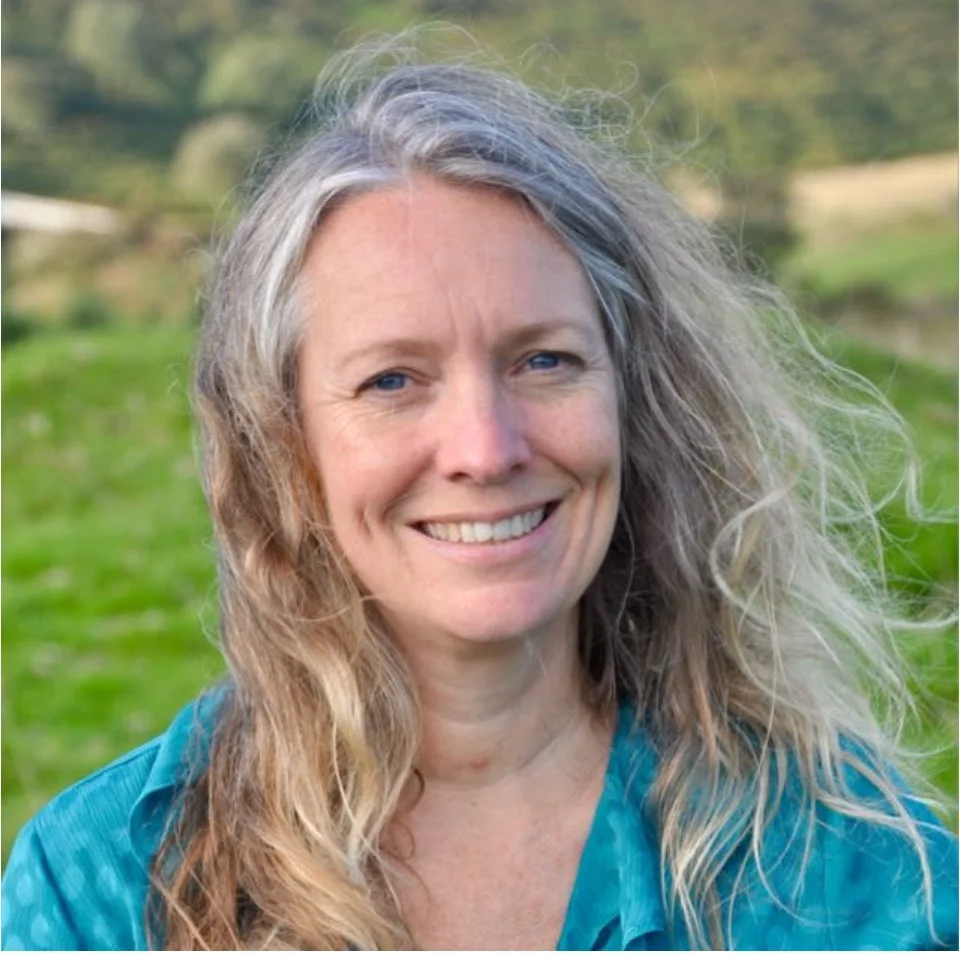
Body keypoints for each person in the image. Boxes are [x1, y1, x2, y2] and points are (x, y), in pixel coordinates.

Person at [2, 32, 957, 952]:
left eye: (544, 360)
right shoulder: (107, 885)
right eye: (392, 380)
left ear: (636, 401)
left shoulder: (863, 882)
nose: (485, 448)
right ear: (284, 445)